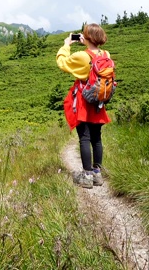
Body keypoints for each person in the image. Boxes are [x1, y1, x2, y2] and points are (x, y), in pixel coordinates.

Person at [56, 23, 111, 189]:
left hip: (84, 101)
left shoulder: (82, 56)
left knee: (84, 138)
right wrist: (86, 42)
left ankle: (86, 176)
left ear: (87, 38)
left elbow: (62, 63)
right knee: (97, 138)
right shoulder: (106, 54)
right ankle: (97, 174)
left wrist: (66, 45)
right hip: (98, 101)